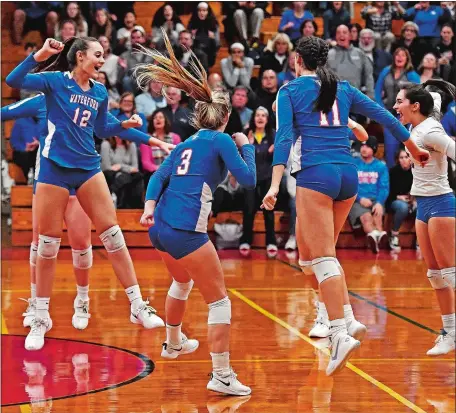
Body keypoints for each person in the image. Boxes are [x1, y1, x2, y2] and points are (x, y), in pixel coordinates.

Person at [261, 36, 430, 376]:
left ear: (296, 60)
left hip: (316, 176)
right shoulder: (343, 87)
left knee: (322, 258)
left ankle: (339, 333)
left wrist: (275, 184)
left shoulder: (289, 92)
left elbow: (281, 141)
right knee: (310, 257)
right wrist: (412, 147)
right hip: (347, 176)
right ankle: (345, 317)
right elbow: (384, 116)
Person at [6, 37, 168, 351]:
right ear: (80, 57)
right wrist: (38, 55)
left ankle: (137, 306)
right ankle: (41, 317)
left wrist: (124, 124)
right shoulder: (54, 82)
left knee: (113, 236)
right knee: (48, 246)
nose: (102, 59)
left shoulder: (97, 91)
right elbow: (14, 80)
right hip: (54, 168)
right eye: (97, 54)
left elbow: (103, 129)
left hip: (87, 168)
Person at [135, 30, 255, 396]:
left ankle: (173, 343)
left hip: (160, 227)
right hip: (187, 229)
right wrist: (246, 145)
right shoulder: (222, 139)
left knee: (182, 282)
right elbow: (248, 180)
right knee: (219, 299)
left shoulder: (185, 142)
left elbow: (158, 175)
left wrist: (149, 208)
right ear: (226, 118)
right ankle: (221, 375)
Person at [393, 81, 455, 356]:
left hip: (442, 204)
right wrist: (432, 87)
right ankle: (450, 332)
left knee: (451, 274)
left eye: (399, 102)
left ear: (415, 106)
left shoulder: (430, 129)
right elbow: (434, 99)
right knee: (435, 275)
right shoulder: (418, 123)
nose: (395, 107)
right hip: (423, 205)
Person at [239, 106, 277, 257]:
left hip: (268, 177)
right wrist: (247, 146)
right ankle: (245, 240)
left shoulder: (273, 135)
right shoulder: (246, 134)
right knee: (249, 209)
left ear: (267, 119)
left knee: (269, 210)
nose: (260, 118)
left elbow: (279, 159)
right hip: (251, 177)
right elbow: (240, 158)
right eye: (257, 115)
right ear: (253, 118)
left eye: (263, 115)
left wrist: (274, 152)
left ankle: (271, 242)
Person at [374, 47, 420, 168]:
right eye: (397, 55)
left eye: (403, 55)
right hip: (389, 114)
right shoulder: (386, 71)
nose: (400, 57)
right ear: (394, 57)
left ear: (407, 58)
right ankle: (391, 176)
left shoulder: (412, 74)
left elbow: (419, 95)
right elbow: (377, 91)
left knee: (409, 148)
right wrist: (381, 108)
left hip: (407, 116)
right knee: (390, 149)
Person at [349, 136, 390, 254]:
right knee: (366, 217)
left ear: (374, 149)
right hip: (357, 200)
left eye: (367, 146)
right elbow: (349, 185)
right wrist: (360, 198)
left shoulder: (381, 167)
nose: (364, 149)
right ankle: (378, 236)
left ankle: (376, 238)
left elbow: (384, 187)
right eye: (362, 146)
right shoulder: (353, 164)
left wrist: (379, 202)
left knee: (378, 215)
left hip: (375, 199)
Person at [386, 148, 414, 251]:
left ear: (411, 159)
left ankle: (420, 239)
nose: (404, 160)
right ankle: (394, 235)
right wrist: (398, 197)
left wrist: (413, 199)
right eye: (401, 157)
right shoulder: (392, 172)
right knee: (403, 207)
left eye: (406, 157)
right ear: (398, 159)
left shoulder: (416, 171)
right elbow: (387, 192)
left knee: (421, 207)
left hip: (412, 200)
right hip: (394, 200)